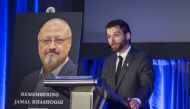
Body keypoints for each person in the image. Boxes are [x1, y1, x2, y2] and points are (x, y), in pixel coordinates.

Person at [17, 18, 77, 109]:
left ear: (69, 43)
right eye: (46, 41)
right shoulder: (27, 80)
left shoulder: (78, 78)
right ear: (38, 45)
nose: (52, 46)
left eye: (59, 40)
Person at [101, 19, 155, 109]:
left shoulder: (142, 58)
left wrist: (138, 100)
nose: (111, 40)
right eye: (109, 36)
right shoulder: (108, 61)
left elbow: (147, 84)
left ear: (128, 35)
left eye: (116, 35)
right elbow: (103, 87)